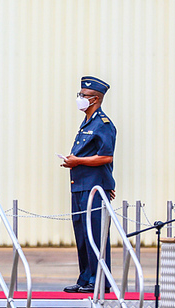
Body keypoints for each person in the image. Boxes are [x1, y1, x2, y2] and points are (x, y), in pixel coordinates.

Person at [62, 76, 116, 294]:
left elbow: (106, 156)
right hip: (79, 185)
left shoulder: (103, 124)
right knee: (82, 233)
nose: (80, 98)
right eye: (80, 94)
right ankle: (85, 278)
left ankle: (100, 280)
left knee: (95, 233)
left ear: (95, 99)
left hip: (94, 188)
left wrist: (78, 161)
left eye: (83, 95)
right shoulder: (87, 123)